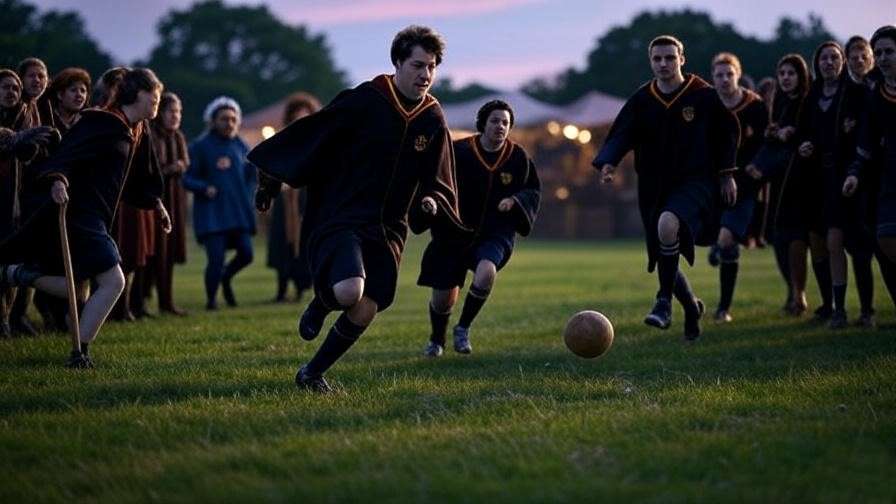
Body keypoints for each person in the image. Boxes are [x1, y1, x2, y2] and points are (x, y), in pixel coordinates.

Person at [250, 25, 465, 392]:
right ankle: (320, 303)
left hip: (388, 229)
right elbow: (312, 136)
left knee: (368, 305)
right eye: (417, 65)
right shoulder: (366, 99)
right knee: (349, 290)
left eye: (431, 67)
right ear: (397, 62)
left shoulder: (432, 117)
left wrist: (430, 201)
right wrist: (271, 180)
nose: (425, 74)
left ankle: (312, 373)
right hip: (343, 216)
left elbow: (439, 175)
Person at [0, 68, 170, 368]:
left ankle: (13, 275)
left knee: (77, 289)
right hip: (81, 215)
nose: (157, 101)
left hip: (99, 217)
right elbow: (66, 155)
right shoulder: (102, 122)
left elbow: (138, 177)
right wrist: (58, 180)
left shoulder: (134, 129)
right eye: (152, 96)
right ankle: (80, 354)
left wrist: (156, 204)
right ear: (137, 94)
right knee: (114, 282)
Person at [594, 35, 738, 341]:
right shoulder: (642, 99)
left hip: (695, 181)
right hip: (653, 185)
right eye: (657, 59)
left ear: (682, 60)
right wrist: (609, 162)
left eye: (669, 58)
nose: (663, 64)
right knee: (663, 249)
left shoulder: (703, 95)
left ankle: (663, 301)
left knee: (667, 225)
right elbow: (622, 134)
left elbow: (728, 132)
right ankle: (690, 307)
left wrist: (727, 174)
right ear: (651, 62)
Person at [418, 100, 540, 357]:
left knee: (486, 272)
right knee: (443, 298)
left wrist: (516, 200)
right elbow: (436, 180)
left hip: (495, 233)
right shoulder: (459, 151)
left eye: (505, 123)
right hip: (454, 231)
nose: (500, 127)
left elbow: (532, 189)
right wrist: (431, 201)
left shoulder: (518, 158)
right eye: (495, 121)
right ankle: (437, 338)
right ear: (483, 123)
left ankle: (463, 328)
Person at [796, 41, 874, 328]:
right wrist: (803, 144)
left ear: (842, 62)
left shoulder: (856, 93)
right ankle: (837, 309)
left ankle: (866, 311)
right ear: (816, 63)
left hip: (851, 177)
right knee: (831, 242)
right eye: (824, 58)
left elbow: (869, 132)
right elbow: (804, 132)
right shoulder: (812, 95)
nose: (829, 62)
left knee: (857, 246)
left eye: (834, 57)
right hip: (820, 180)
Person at [746, 54, 813, 317]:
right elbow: (772, 143)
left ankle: (800, 294)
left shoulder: (807, 104)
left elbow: (807, 141)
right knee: (777, 239)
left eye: (791, 73)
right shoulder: (780, 104)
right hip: (778, 185)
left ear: (801, 75)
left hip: (800, 184)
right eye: (782, 73)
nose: (786, 78)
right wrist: (759, 161)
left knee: (796, 238)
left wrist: (792, 136)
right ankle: (792, 292)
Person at [706, 53, 768, 323]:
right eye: (718, 75)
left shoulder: (755, 106)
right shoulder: (707, 105)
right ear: (712, 77)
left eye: (728, 74)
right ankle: (716, 246)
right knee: (720, 239)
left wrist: (757, 167)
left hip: (745, 184)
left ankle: (723, 308)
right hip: (713, 183)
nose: (723, 79)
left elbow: (767, 143)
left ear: (738, 74)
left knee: (728, 239)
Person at [0, 69, 58, 338]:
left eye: (14, 88)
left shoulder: (25, 115)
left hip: (14, 202)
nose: (11, 92)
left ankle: (7, 320)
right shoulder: (18, 124)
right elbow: (7, 140)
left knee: (11, 261)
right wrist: (22, 137)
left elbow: (27, 153)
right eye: (5, 87)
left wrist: (35, 140)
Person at [184, 96, 256, 310]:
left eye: (234, 119)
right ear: (213, 120)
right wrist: (204, 187)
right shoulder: (200, 146)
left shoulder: (241, 145)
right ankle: (212, 301)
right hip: (212, 213)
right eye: (224, 119)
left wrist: (250, 190)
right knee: (215, 259)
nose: (230, 123)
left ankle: (226, 277)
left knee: (247, 254)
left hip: (238, 212)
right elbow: (187, 177)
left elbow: (251, 174)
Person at [848, 26, 896, 311]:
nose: (882, 57)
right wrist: (854, 172)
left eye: (889, 51)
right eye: (878, 53)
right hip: (889, 180)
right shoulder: (876, 95)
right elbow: (865, 140)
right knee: (885, 237)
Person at [266, 92, 319, 303]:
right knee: (282, 244)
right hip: (285, 199)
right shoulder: (283, 140)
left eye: (305, 116)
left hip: (307, 199)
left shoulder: (317, 141)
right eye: (297, 117)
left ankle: (300, 288)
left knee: (305, 243)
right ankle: (281, 289)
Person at [149, 92, 189, 315]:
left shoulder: (178, 137)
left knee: (170, 252)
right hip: (156, 201)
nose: (175, 116)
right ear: (160, 113)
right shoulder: (154, 135)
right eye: (171, 111)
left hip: (175, 200)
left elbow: (185, 162)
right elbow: (154, 169)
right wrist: (172, 168)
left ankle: (167, 301)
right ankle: (140, 301)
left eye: (178, 111)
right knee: (154, 252)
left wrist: (178, 167)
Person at [45, 68, 91, 136]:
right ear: (60, 94)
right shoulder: (45, 120)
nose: (79, 95)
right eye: (73, 90)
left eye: (83, 91)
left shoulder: (86, 125)